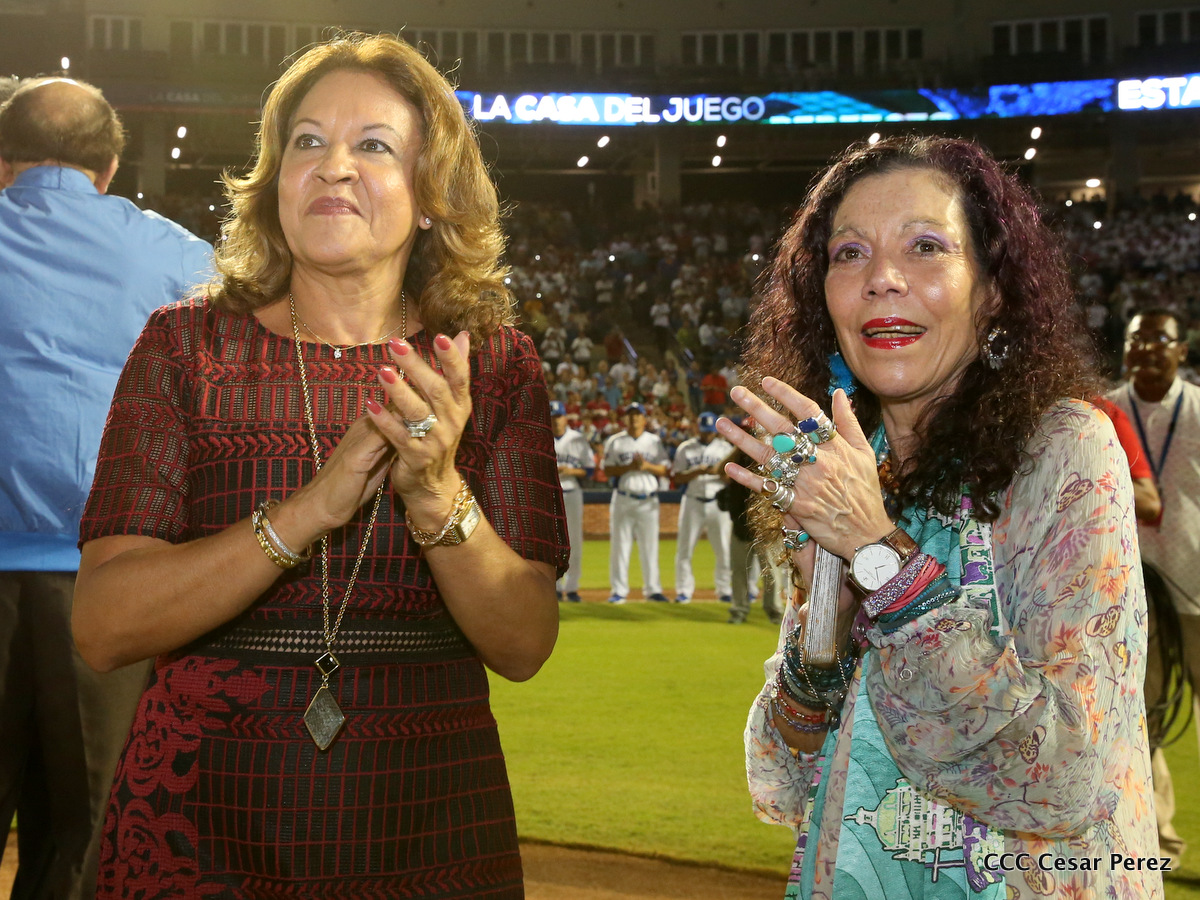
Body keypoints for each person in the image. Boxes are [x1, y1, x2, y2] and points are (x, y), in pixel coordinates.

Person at [72, 33, 566, 897]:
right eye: (307, 141)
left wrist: (435, 493)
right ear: (275, 183)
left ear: (431, 195)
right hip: (197, 825)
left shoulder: (491, 366)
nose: (333, 165)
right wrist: (310, 510)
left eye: (373, 145)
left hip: (431, 825)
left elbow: (523, 644)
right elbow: (104, 625)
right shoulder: (185, 349)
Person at [719, 136, 1158, 898]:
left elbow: (1066, 775)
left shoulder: (1065, 451)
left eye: (925, 247)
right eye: (849, 254)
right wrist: (827, 622)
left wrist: (878, 554)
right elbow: (787, 776)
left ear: (992, 291)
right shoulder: (853, 470)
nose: (882, 279)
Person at [0, 77, 214, 899]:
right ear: (110, 165)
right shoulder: (179, 258)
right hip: (111, 585)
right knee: (91, 834)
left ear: (3, 160)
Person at [1106, 308, 1200, 868]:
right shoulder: (1104, 410)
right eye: (1135, 338)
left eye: (1158, 339)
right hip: (1129, 590)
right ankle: (1159, 844)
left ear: (1181, 350)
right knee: (1143, 717)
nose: (1145, 348)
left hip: (1196, 587)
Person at [602, 402, 670, 604]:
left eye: (637, 414)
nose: (634, 418)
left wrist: (646, 465)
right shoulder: (615, 441)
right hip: (623, 498)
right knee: (620, 547)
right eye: (630, 414)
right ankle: (619, 591)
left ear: (644, 418)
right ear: (625, 418)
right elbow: (607, 470)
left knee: (650, 547)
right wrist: (630, 466)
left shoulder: (654, 441)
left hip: (648, 500)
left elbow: (664, 469)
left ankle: (653, 590)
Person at [717, 446, 786, 626]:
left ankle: (774, 610)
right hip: (740, 527)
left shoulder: (768, 457)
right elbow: (720, 470)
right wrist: (738, 449)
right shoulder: (736, 460)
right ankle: (739, 609)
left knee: (771, 572)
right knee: (740, 571)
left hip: (764, 528)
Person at [671, 411, 734, 604]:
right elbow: (677, 477)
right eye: (704, 430)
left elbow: (732, 479)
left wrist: (718, 473)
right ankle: (684, 590)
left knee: (724, 549)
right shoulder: (685, 448)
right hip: (692, 502)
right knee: (685, 549)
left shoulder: (725, 448)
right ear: (698, 428)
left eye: (710, 431)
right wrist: (697, 471)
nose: (707, 434)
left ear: (715, 430)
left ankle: (724, 589)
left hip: (718, 503)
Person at [552, 399, 594, 603]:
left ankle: (572, 587)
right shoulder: (541, 438)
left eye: (559, 416)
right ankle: (555, 586)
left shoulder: (578, 439)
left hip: (572, 492)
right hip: (550, 494)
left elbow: (590, 470)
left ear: (565, 418)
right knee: (552, 541)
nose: (556, 421)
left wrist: (571, 471)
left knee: (574, 540)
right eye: (552, 417)